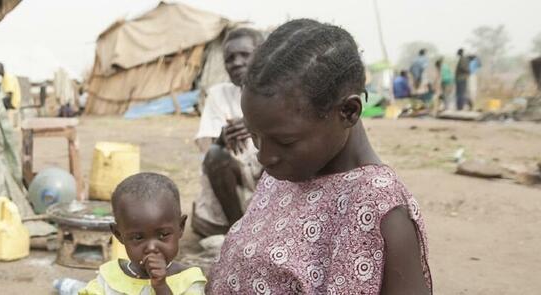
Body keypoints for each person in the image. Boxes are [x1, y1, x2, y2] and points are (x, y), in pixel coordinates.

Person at [208, 19, 431, 294]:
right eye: (254, 136)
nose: (264, 156)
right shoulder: (285, 174)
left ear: (348, 112)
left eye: (285, 141)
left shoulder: (379, 207)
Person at [81, 173, 207, 295]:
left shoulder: (188, 280)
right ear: (118, 234)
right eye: (138, 237)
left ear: (181, 227)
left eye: (163, 235)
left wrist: (161, 287)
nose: (151, 248)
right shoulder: (109, 277)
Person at [192, 27, 265, 237]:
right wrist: (223, 139)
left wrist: (256, 127)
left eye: (245, 55)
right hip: (238, 178)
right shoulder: (219, 94)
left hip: (270, 173)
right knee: (215, 154)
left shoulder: (280, 92)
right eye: (229, 58)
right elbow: (207, 150)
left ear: (262, 55)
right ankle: (237, 230)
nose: (236, 63)